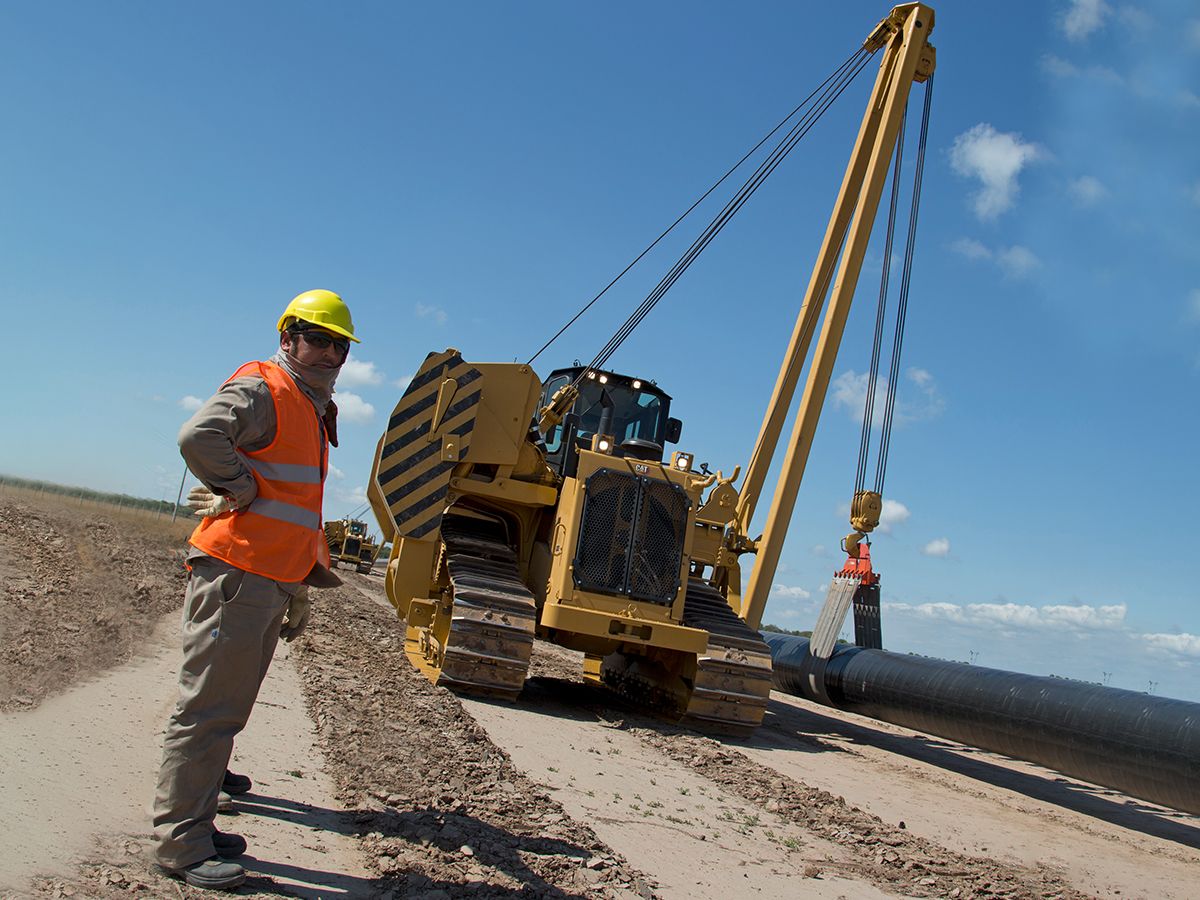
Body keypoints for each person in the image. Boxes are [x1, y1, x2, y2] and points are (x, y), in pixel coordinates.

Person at [151, 289, 359, 890]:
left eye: (340, 345)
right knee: (208, 710)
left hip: (265, 578)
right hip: (237, 573)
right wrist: (238, 487)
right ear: (288, 336)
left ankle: (196, 820)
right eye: (317, 338)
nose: (329, 353)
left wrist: (296, 583)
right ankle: (181, 845)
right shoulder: (266, 388)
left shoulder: (311, 405)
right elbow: (198, 437)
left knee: (227, 710)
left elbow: (293, 505)